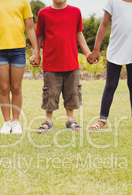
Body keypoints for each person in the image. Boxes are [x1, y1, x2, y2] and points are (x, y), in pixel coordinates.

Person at [88, 0, 132, 131]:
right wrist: (96, 49)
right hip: (115, 49)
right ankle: (102, 120)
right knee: (110, 85)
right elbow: (104, 24)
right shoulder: (112, 1)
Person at [0, 0, 40, 134]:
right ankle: (7, 122)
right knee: (4, 88)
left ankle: (16, 122)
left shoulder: (23, 1)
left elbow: (30, 27)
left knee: (17, 88)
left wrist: (36, 51)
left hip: (18, 50)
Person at [35, 0, 91, 133]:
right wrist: (36, 53)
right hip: (51, 64)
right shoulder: (43, 13)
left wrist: (88, 52)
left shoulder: (75, 12)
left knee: (71, 93)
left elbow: (79, 33)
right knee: (50, 93)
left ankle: (70, 120)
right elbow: (40, 35)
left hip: (71, 63)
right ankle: (48, 121)